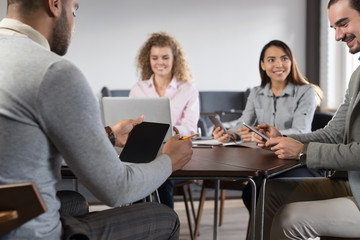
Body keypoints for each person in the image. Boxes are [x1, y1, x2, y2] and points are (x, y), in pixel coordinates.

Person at [0, 1, 193, 239]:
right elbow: (117, 189)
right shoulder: (54, 73)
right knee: (165, 216)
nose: (74, 19)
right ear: (55, 4)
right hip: (24, 230)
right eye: (75, 9)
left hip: (6, 211)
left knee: (77, 202)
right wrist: (170, 161)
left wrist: (110, 133)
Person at [252, 0, 360, 238]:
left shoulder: (306, 91)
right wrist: (283, 137)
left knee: (289, 218)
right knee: (270, 191)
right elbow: (333, 133)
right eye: (334, 29)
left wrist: (303, 151)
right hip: (351, 182)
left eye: (343, 24)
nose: (338, 36)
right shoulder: (357, 76)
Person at [213, 40, 324, 212]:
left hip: (296, 163)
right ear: (263, 65)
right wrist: (229, 134)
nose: (278, 64)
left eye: (284, 58)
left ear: (291, 62)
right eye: (271, 60)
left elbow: (301, 130)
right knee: (251, 191)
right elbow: (244, 122)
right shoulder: (256, 93)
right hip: (265, 163)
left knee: (257, 190)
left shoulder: (306, 92)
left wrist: (267, 137)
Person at [129, 32, 200, 209]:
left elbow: (191, 127)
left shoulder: (188, 89)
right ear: (148, 60)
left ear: (174, 59)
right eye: (155, 57)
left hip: (176, 152)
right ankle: (137, 225)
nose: (160, 62)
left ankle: (167, 228)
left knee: (162, 176)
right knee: (135, 176)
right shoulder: (138, 89)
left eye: (165, 57)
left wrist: (173, 131)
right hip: (144, 153)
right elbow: (130, 121)